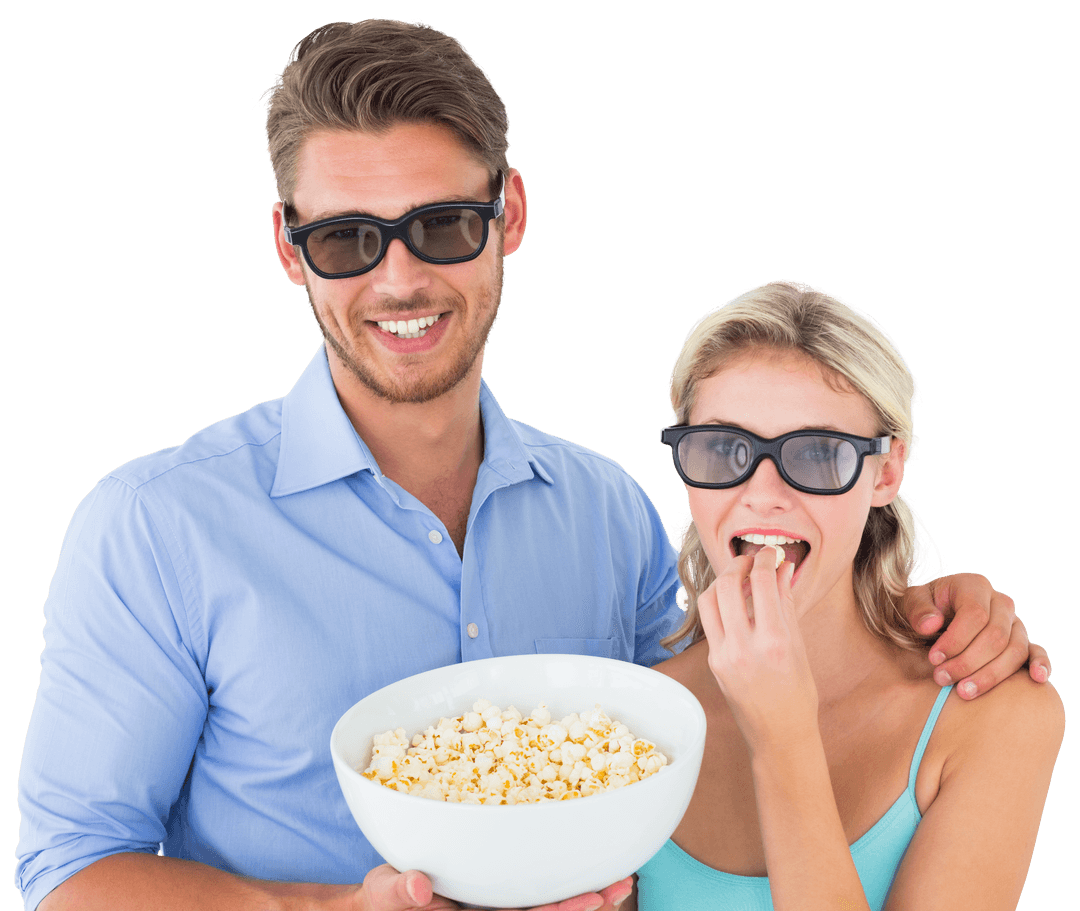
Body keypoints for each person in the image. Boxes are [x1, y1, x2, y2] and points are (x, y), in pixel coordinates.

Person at [15, 20, 1050, 911]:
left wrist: (925, 603)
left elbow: (697, 726)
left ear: (508, 213)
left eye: (442, 224)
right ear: (290, 249)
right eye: (346, 239)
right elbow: (66, 874)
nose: (399, 278)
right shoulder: (157, 524)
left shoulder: (607, 514)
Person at [629, 281, 1065, 910]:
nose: (764, 495)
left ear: (886, 471)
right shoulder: (631, 717)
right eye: (724, 448)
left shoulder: (994, 712)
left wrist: (783, 739)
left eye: (817, 454)